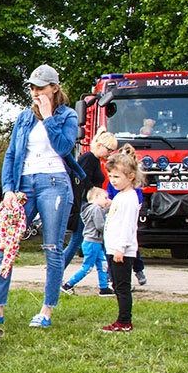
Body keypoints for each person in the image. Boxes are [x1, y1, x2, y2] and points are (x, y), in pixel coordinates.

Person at [0, 64, 85, 329]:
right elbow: (12, 154)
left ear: (54, 88)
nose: (35, 93)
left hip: (55, 183)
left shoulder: (67, 116)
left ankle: (46, 311)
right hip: (24, 184)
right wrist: (8, 189)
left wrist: (48, 117)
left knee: (52, 247)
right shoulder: (24, 117)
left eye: (41, 87)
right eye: (32, 88)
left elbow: (63, 147)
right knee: (5, 244)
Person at [62, 128, 118, 270]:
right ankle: (57, 269)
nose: (110, 153)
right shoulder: (89, 159)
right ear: (99, 146)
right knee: (77, 240)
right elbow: (83, 181)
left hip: (88, 204)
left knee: (80, 240)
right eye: (109, 150)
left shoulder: (93, 160)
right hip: (86, 205)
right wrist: (97, 195)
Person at [101, 152, 143, 332]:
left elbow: (128, 226)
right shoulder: (120, 196)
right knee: (117, 286)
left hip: (122, 251)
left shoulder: (129, 199)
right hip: (113, 248)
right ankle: (122, 319)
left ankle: (125, 321)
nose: (113, 180)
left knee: (122, 287)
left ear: (130, 176)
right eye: (110, 176)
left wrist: (120, 249)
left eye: (117, 176)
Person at [61, 187, 114, 296]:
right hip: (92, 242)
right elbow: (100, 225)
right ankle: (68, 285)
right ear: (96, 197)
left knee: (102, 264)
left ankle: (104, 288)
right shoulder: (95, 209)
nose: (106, 200)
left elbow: (101, 212)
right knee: (88, 267)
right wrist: (109, 229)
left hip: (94, 242)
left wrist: (111, 207)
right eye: (105, 197)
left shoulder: (89, 209)